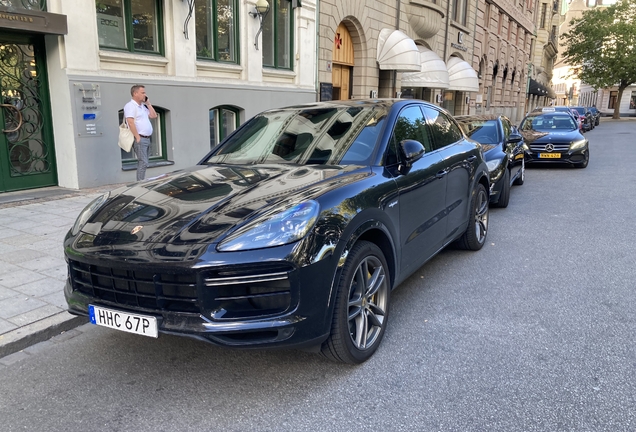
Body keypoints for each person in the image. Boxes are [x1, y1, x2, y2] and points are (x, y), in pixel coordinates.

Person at [124, 84, 157, 180]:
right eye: (142, 93)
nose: (145, 95)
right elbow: (130, 122)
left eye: (145, 93)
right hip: (140, 138)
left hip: (147, 138)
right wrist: (137, 137)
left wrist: (148, 104)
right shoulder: (130, 106)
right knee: (143, 162)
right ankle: (140, 183)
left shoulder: (142, 106)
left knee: (144, 162)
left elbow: (153, 116)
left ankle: (141, 181)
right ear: (135, 93)